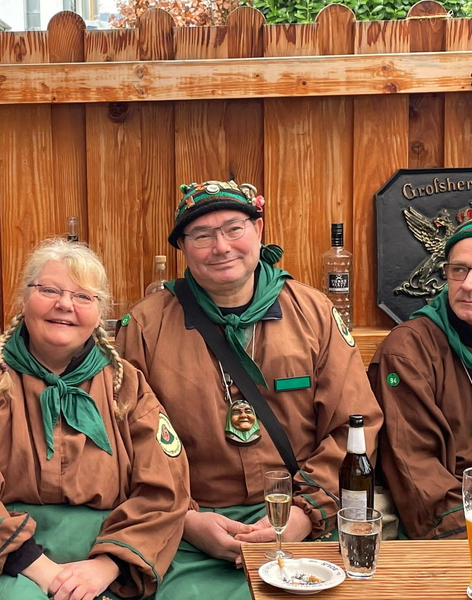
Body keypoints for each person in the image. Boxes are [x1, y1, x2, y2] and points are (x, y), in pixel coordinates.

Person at [116, 180, 383, 599]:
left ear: (258, 229)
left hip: (308, 519)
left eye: (234, 228)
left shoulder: (315, 314)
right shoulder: (144, 327)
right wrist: (185, 519)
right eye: (201, 235)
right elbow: (126, 444)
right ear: (183, 248)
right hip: (189, 531)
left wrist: (305, 512)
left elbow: (354, 429)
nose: (221, 247)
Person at [0, 238, 190, 600]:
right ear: (24, 300)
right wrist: (46, 573)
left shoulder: (126, 384)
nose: (65, 304)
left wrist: (106, 565)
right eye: (49, 290)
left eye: (83, 296)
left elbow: (165, 491)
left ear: (99, 313)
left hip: (108, 554)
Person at [369, 214, 472, 540]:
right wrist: (471, 533)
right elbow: (414, 466)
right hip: (455, 522)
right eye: (458, 270)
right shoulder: (408, 350)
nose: (468, 284)